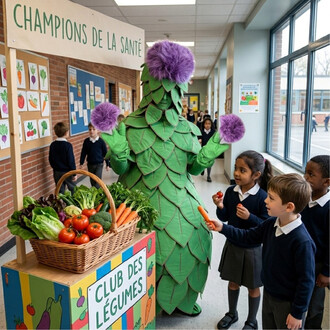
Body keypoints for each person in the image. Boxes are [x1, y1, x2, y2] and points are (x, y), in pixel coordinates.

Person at [208, 173, 316, 330]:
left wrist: (297, 313)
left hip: (288, 304)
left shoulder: (302, 241)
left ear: (289, 207)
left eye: (271, 198)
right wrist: (223, 228)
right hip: (270, 294)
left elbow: (306, 281)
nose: (266, 200)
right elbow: (248, 236)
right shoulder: (272, 223)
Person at [212, 150, 272, 329]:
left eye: (242, 170)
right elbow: (224, 217)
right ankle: (232, 313)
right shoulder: (231, 192)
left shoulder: (263, 197)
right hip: (233, 244)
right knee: (233, 282)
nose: (236, 173)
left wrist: (250, 218)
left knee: (253, 287)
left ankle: (252, 321)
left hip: (253, 249)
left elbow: (265, 225)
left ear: (256, 175)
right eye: (236, 169)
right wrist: (220, 206)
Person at [301, 155, 330, 329]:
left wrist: (326, 272)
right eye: (305, 172)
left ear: (327, 181)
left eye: (311, 174)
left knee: (314, 307)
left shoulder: (327, 209)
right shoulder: (303, 199)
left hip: (318, 266)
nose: (305, 178)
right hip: (301, 261)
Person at [49, 122, 77, 194]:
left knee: (60, 190)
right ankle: (76, 203)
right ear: (66, 133)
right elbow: (71, 160)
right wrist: (74, 173)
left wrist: (55, 167)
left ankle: (61, 204)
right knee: (73, 188)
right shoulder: (68, 145)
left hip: (57, 172)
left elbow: (50, 159)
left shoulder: (52, 145)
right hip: (68, 172)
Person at [80, 123, 110, 188]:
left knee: (97, 180)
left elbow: (105, 153)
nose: (92, 131)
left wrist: (107, 164)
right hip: (90, 164)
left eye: (94, 129)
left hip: (99, 164)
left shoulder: (101, 141)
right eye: (90, 129)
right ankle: (95, 193)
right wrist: (81, 163)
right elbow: (83, 152)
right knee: (92, 181)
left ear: (98, 130)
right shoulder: (86, 141)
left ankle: (97, 193)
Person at [198, 118, 216, 182]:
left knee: (209, 163)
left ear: (211, 125)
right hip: (203, 149)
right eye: (206, 124)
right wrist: (199, 140)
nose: (207, 125)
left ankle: (208, 176)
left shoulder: (213, 132)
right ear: (204, 125)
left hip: (210, 150)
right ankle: (202, 169)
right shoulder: (201, 132)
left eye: (209, 124)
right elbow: (199, 138)